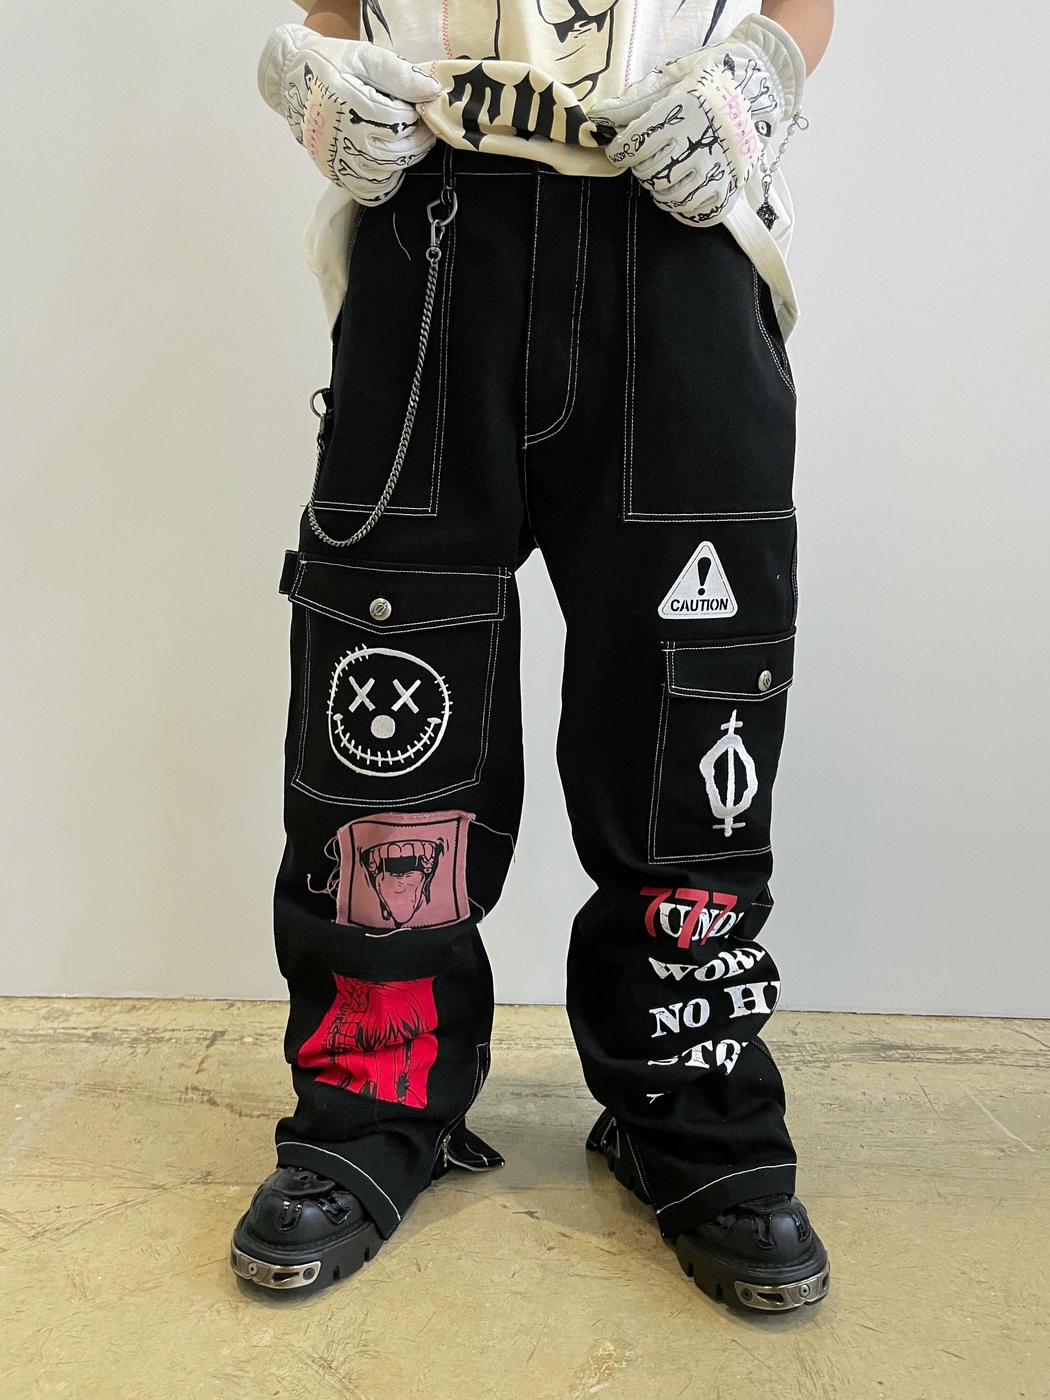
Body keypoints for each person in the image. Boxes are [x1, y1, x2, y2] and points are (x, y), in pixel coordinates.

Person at [230, 0, 836, 1313]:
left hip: (680, 227)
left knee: (693, 711)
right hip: (431, 230)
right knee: (388, 701)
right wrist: (319, 73)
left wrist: (765, 74)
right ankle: (372, 1105)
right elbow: (331, 9)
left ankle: (693, 1109)